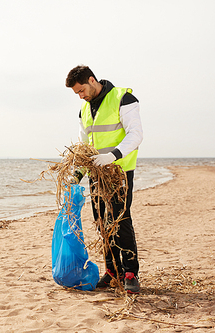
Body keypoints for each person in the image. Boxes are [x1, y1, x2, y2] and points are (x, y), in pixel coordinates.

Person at [65, 65, 143, 294]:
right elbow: (85, 147)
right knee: (101, 223)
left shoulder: (123, 98)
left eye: (81, 90)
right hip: (96, 174)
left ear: (92, 80)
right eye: (77, 93)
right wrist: (77, 174)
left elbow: (136, 134)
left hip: (119, 171)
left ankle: (130, 273)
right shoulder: (84, 110)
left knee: (120, 221)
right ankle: (112, 271)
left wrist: (112, 156)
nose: (80, 96)